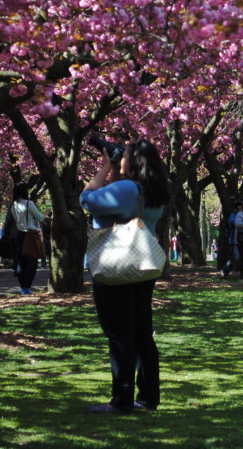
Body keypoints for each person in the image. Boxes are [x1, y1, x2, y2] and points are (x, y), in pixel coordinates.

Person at [80, 138, 170, 413]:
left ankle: (121, 401)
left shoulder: (126, 189)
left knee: (120, 334)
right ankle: (148, 397)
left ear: (132, 162)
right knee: (142, 333)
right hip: (143, 265)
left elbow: (88, 199)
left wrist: (104, 168)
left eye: (124, 156)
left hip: (114, 266)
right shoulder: (154, 191)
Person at [10, 182, 45, 295]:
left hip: (20, 235)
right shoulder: (29, 203)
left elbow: (15, 220)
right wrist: (46, 214)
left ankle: (23, 287)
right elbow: (39, 217)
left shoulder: (13, 205)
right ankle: (27, 287)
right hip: (30, 235)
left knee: (21, 262)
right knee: (32, 262)